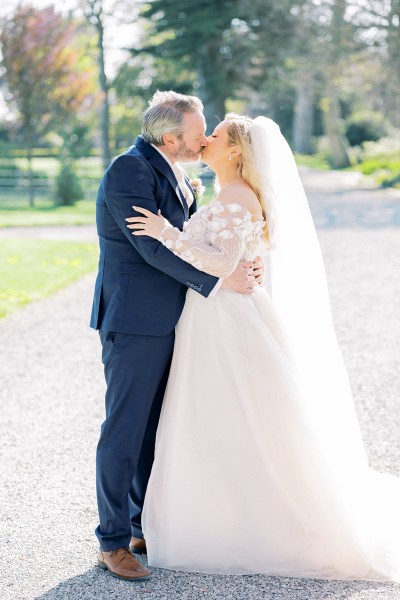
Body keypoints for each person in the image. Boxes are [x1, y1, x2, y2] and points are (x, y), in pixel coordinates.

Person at [126, 113, 400, 581]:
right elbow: (234, 260)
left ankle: (242, 525)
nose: (205, 139)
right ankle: (215, 515)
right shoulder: (225, 192)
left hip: (225, 320)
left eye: (215, 136)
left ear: (234, 151)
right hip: (212, 315)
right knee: (216, 417)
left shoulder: (235, 197)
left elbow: (222, 263)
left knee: (231, 416)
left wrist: (165, 232)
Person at [90, 93, 263, 582]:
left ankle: (144, 523)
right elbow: (150, 250)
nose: (204, 137)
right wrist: (220, 279)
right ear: (171, 138)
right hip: (137, 320)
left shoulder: (176, 170)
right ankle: (112, 541)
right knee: (124, 427)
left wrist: (243, 259)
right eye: (198, 131)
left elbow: (201, 239)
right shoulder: (129, 171)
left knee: (156, 427)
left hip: (178, 320)